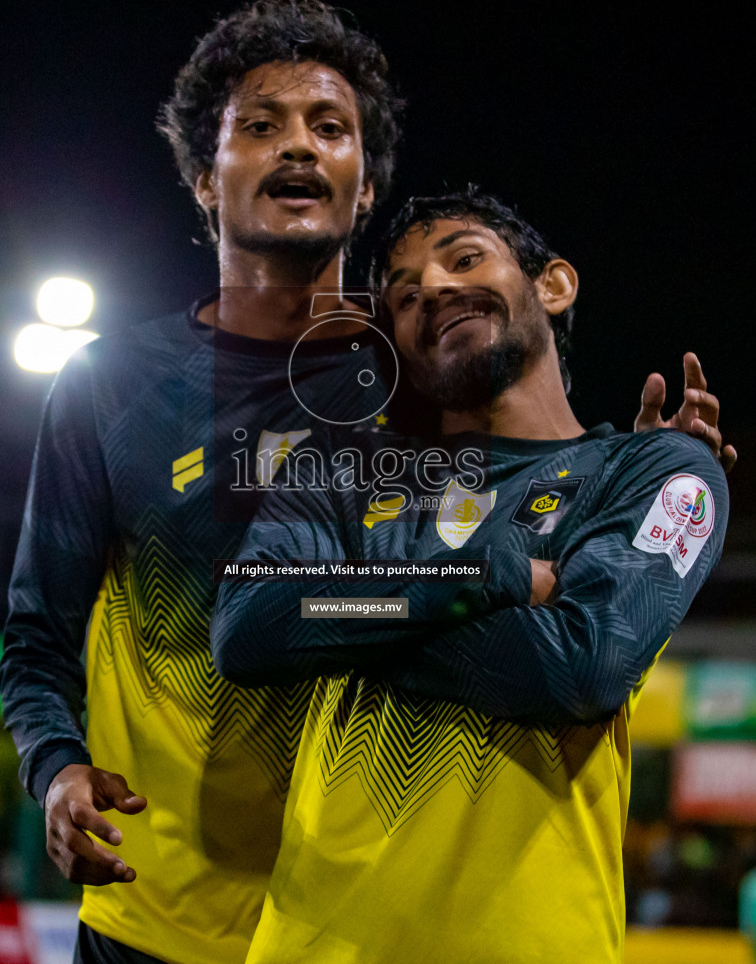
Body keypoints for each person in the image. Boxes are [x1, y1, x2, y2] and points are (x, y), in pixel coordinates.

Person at [0, 0, 731, 964]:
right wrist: (53, 767)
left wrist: (645, 478)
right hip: (160, 910)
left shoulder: (425, 379)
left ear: (367, 183)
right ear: (201, 178)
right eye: (260, 126)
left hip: (354, 910)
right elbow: (41, 633)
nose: (296, 146)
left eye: (329, 128)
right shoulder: (108, 389)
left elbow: (540, 489)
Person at [211, 190, 730, 963]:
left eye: (463, 259)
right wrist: (483, 574)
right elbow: (248, 629)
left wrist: (340, 610)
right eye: (407, 294)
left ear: (551, 286)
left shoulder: (654, 469)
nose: (438, 292)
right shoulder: (341, 474)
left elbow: (582, 665)